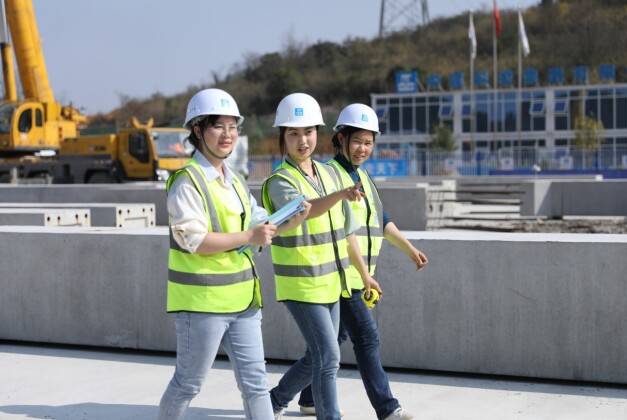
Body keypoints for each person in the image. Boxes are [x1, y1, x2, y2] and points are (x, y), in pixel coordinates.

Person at [157, 88, 309, 420]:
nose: (228, 135)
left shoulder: (235, 180)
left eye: (233, 127)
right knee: (188, 383)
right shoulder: (187, 181)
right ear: (198, 130)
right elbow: (194, 240)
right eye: (218, 126)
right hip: (202, 305)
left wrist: (288, 220)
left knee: (256, 384)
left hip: (243, 302)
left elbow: (259, 224)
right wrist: (250, 235)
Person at [296, 103, 429, 420]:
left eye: (369, 142)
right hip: (342, 273)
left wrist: (409, 249)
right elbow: (339, 228)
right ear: (341, 138)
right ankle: (387, 408)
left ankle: (302, 397)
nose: (363, 148)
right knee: (367, 338)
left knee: (330, 342)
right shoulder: (331, 175)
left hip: (360, 274)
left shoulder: (364, 177)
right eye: (357, 141)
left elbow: (381, 220)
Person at [262, 93, 380, 420]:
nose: (303, 141)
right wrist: (340, 194)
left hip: (331, 283)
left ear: (318, 133)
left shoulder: (328, 175)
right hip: (302, 286)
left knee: (319, 356)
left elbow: (347, 231)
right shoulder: (279, 181)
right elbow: (305, 210)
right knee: (328, 358)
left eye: (309, 132)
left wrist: (364, 275)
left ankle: (273, 401)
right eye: (294, 133)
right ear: (282, 136)